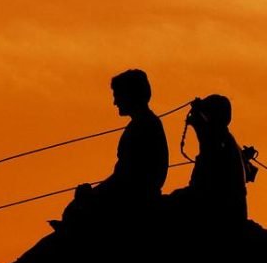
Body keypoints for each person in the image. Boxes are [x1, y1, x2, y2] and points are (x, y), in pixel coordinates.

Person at [58, 69, 169, 232]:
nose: (115, 102)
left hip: (132, 201)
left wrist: (92, 196)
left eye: (118, 95)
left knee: (74, 214)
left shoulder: (142, 127)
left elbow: (126, 178)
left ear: (130, 95)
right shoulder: (146, 123)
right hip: (132, 196)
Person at [173, 94, 247, 228]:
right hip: (228, 212)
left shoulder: (217, 144)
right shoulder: (225, 140)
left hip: (219, 215)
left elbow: (203, 191)